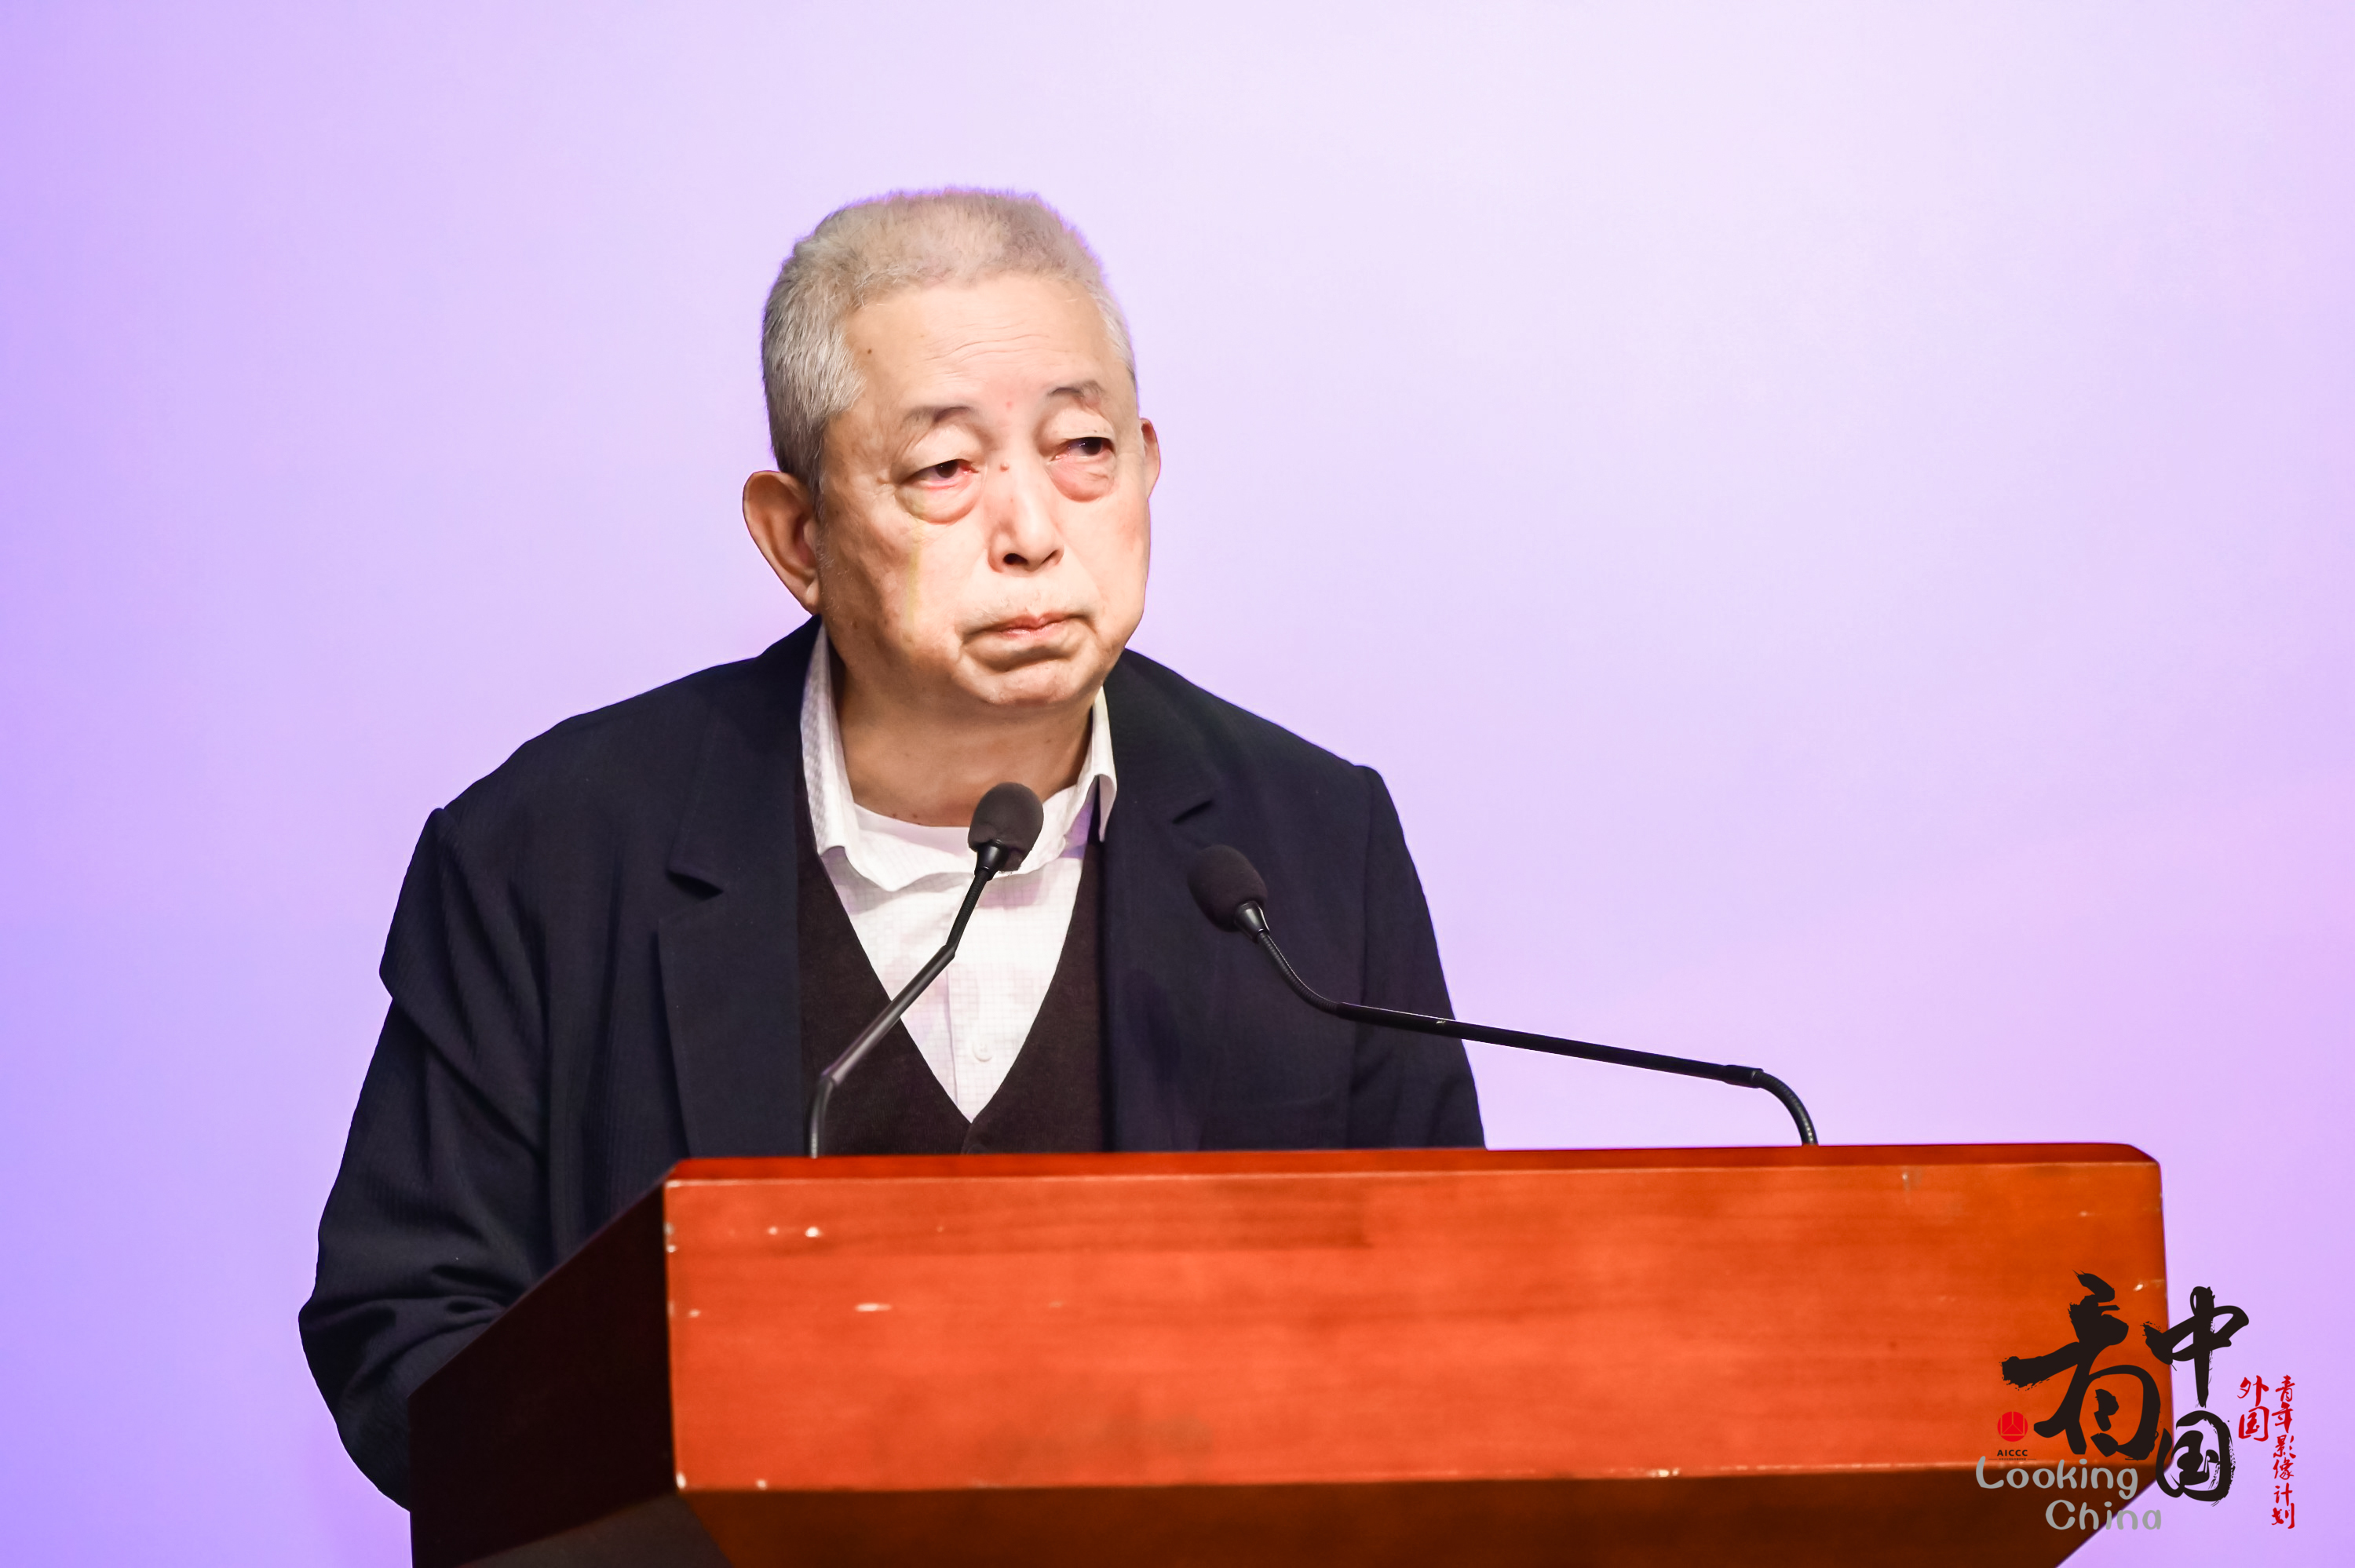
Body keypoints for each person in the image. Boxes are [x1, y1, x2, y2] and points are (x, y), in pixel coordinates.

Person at [301, 189, 1482, 1504]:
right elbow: (407, 1331)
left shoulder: (1310, 843)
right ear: (797, 535)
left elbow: (1449, 1313)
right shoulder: (552, 852)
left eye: (1083, 448)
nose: (1032, 532)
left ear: (1148, 465)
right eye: (944, 471)